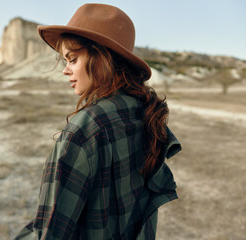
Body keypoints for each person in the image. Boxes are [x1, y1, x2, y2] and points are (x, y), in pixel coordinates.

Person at [14, 3, 181, 240]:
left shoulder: (86, 128)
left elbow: (50, 233)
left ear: (102, 58)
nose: (65, 70)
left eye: (72, 59)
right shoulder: (145, 112)